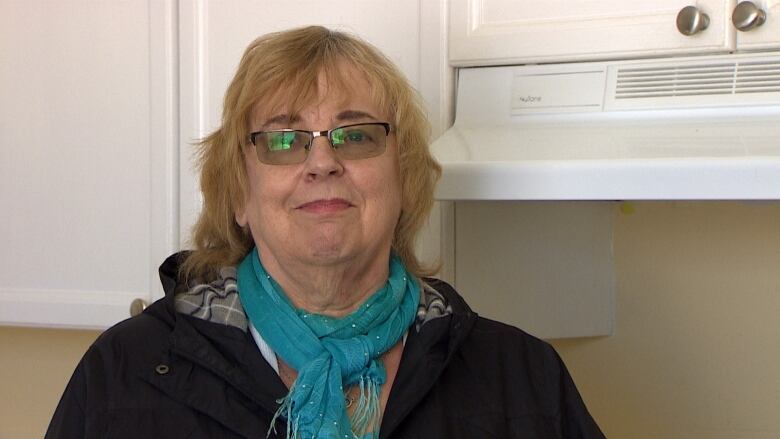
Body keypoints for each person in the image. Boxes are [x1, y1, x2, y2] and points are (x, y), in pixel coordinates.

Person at [46, 26, 604, 439]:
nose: (322, 162)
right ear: (239, 193)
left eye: (356, 135)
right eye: (283, 141)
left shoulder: (523, 377)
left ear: (405, 180)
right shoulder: (122, 374)